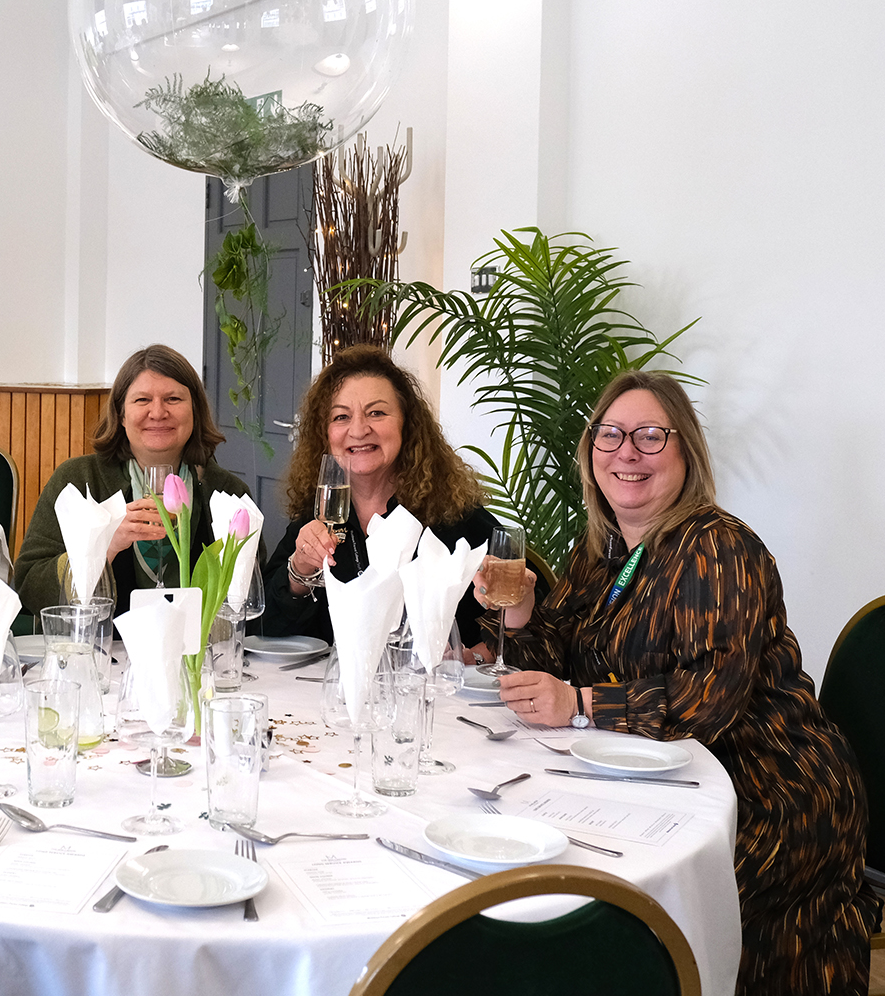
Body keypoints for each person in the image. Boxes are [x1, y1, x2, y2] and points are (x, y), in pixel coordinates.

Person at [483, 370, 880, 995]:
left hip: (770, 790)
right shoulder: (605, 547)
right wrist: (523, 617)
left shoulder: (719, 548)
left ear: (685, 453)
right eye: (609, 435)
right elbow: (560, 653)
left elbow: (707, 700)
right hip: (660, 778)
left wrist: (581, 703)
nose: (626, 453)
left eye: (649, 436)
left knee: (630, 918)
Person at [261, 345, 498, 660]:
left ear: (406, 424)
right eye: (341, 416)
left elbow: (524, 628)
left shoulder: (454, 514)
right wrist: (299, 573)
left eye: (377, 412)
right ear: (325, 433)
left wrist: (477, 657)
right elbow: (263, 629)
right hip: (332, 698)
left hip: (434, 700)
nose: (359, 430)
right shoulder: (318, 516)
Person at [14, 344, 253, 616]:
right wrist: (103, 545)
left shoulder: (228, 492)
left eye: (173, 399)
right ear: (121, 415)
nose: (158, 412)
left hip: (197, 657)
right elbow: (28, 587)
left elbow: (249, 596)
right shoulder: (78, 481)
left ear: (195, 411)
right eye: (142, 400)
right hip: (104, 651)